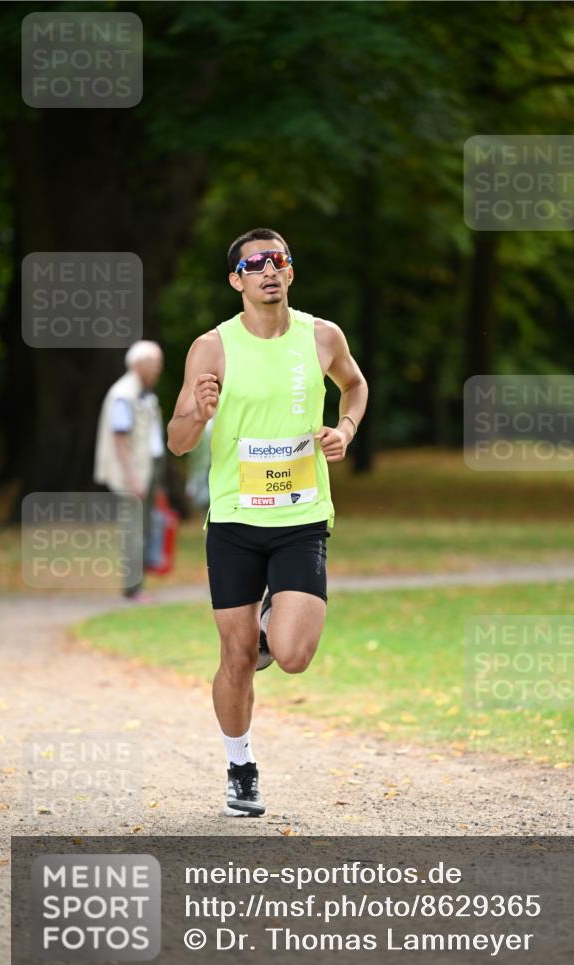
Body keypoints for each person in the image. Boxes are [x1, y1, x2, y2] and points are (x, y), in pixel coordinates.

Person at [167, 228, 368, 816]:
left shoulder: (322, 336)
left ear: (290, 272)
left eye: (278, 260)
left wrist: (346, 428)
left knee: (294, 654)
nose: (269, 270)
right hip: (235, 518)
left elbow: (355, 385)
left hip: (302, 514)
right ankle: (240, 766)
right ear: (237, 280)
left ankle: (266, 625)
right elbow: (177, 441)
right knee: (235, 658)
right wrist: (198, 415)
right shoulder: (212, 348)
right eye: (255, 264)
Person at [94, 340, 165, 599]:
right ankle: (132, 589)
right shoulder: (124, 394)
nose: (158, 369)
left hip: (147, 471)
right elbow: (120, 440)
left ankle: (139, 584)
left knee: (144, 528)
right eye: (154, 364)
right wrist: (133, 478)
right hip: (133, 476)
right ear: (138, 364)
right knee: (133, 531)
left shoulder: (144, 393)